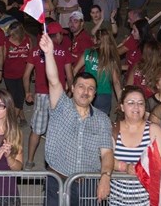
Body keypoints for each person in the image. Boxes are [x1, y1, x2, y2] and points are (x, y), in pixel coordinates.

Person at [41, 33, 113, 206]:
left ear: (95, 94)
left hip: (87, 185)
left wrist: (105, 177)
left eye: (90, 88)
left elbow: (107, 153)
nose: (85, 91)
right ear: (72, 89)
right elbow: (53, 81)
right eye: (81, 86)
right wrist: (49, 53)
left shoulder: (102, 119)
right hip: (57, 181)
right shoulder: (61, 106)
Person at [23, 22, 74, 170]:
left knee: (36, 130)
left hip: (41, 95)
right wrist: (70, 92)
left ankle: (30, 160)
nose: (62, 37)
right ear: (56, 35)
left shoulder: (34, 51)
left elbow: (26, 75)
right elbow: (70, 76)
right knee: (60, 129)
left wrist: (27, 92)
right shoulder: (64, 52)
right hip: (59, 95)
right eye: (61, 34)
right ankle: (59, 161)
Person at [110, 86, 161, 206]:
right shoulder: (112, 130)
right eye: (131, 103)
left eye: (140, 103)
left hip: (148, 200)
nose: (136, 107)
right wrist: (125, 167)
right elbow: (105, 158)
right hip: (117, 200)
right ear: (122, 106)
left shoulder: (154, 130)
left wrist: (143, 167)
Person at [73, 28, 122, 115]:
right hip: (104, 95)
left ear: (96, 40)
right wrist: (120, 100)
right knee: (101, 123)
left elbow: (75, 70)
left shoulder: (88, 53)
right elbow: (116, 82)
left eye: (94, 38)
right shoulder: (111, 58)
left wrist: (73, 87)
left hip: (87, 91)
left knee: (84, 119)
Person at [3, 22, 32, 124]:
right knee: (13, 98)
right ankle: (22, 117)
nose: (11, 36)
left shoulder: (28, 40)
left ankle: (11, 122)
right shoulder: (6, 42)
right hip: (9, 75)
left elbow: (32, 57)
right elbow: (2, 58)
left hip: (23, 75)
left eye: (13, 34)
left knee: (20, 98)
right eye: (10, 34)